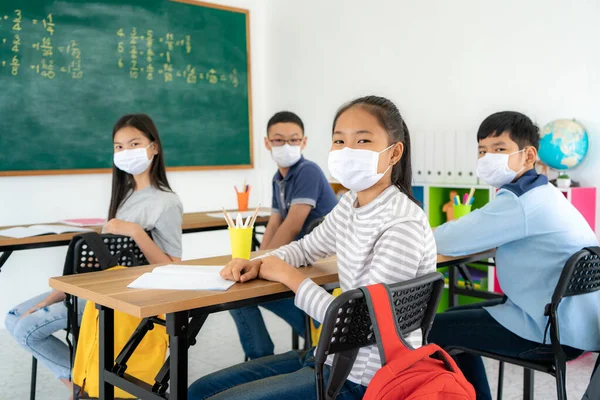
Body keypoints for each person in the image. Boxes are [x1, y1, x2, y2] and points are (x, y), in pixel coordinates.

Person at [188, 95, 437, 400]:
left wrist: (289, 276)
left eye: (363, 140)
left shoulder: (402, 223)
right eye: (339, 141)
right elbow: (307, 248)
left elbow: (362, 326)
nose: (348, 151)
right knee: (199, 390)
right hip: (329, 356)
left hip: (363, 380)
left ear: (394, 152)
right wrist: (262, 261)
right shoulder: (350, 203)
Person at [5, 114, 183, 395]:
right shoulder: (124, 195)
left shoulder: (166, 201)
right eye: (119, 147)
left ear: (154, 147)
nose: (126, 152)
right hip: (95, 289)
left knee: (26, 328)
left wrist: (136, 232)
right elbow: (96, 266)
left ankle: (83, 386)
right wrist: (56, 294)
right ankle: (84, 382)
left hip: (120, 298)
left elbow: (173, 266)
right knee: (13, 317)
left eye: (134, 143)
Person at [429, 111, 600, 400]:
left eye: (499, 149)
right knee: (451, 318)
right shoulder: (543, 193)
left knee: (433, 330)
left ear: (528, 155)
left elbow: (446, 240)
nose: (487, 157)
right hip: (571, 326)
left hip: (548, 332)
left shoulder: (522, 202)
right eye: (482, 150)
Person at [230, 111, 338, 360]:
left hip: (319, 271)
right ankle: (261, 357)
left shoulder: (308, 171)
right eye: (279, 140)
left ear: (304, 142)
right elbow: (275, 222)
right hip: (296, 262)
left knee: (241, 297)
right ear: (267, 143)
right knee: (240, 291)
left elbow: (291, 225)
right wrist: (258, 258)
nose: (286, 146)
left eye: (294, 139)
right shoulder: (278, 178)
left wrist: (259, 262)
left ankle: (263, 359)